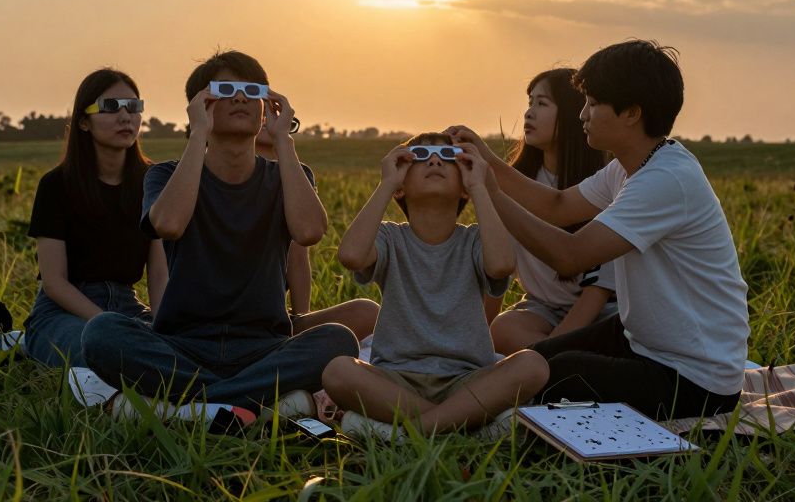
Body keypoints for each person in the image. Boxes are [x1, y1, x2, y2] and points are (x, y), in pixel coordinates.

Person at [448, 40, 749, 419]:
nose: (582, 115)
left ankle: (430, 422)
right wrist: (489, 160)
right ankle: (442, 403)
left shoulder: (666, 179)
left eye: (592, 103)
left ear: (631, 113)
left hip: (693, 378)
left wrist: (488, 191)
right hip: (641, 341)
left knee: (545, 378)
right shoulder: (628, 166)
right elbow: (557, 207)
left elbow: (570, 254)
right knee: (531, 363)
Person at [81, 50, 358, 417]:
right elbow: (169, 224)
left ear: (267, 105)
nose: (240, 97)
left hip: (264, 346)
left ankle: (185, 409)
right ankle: (254, 403)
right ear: (201, 105)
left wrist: (283, 141)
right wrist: (199, 135)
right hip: (182, 345)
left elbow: (309, 232)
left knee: (339, 341)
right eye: (225, 89)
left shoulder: (289, 175)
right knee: (101, 333)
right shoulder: (164, 175)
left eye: (251, 89)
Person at [321, 133, 548, 439]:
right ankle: (466, 425)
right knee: (338, 371)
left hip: (466, 378)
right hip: (397, 379)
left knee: (533, 365)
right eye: (422, 155)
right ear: (402, 184)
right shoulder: (391, 237)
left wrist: (480, 186)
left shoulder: (473, 240)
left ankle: (407, 432)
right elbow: (350, 255)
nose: (435, 160)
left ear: (464, 188)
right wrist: (386, 184)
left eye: (448, 157)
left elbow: (501, 265)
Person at [23, 68, 167, 368]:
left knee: (178, 352)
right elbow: (54, 282)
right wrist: (107, 323)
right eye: (111, 107)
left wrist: (167, 327)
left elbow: (158, 274)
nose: (126, 116)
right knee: (108, 349)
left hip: (128, 306)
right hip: (63, 313)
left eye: (134, 106)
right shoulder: (57, 185)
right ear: (84, 122)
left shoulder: (153, 182)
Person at [488, 68, 615, 354]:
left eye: (542, 104)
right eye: (530, 103)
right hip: (541, 310)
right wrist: (478, 344)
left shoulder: (604, 185)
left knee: (627, 338)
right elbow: (496, 269)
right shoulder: (515, 183)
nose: (529, 113)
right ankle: (561, 363)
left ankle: (553, 364)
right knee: (504, 330)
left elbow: (598, 292)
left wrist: (555, 346)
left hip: (601, 311)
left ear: (574, 114)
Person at [255, 124, 380, 340]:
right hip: (210, 323)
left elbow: (298, 257)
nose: (269, 121)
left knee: (368, 313)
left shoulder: (295, 176)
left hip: (273, 321)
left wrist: (299, 319)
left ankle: (289, 343)